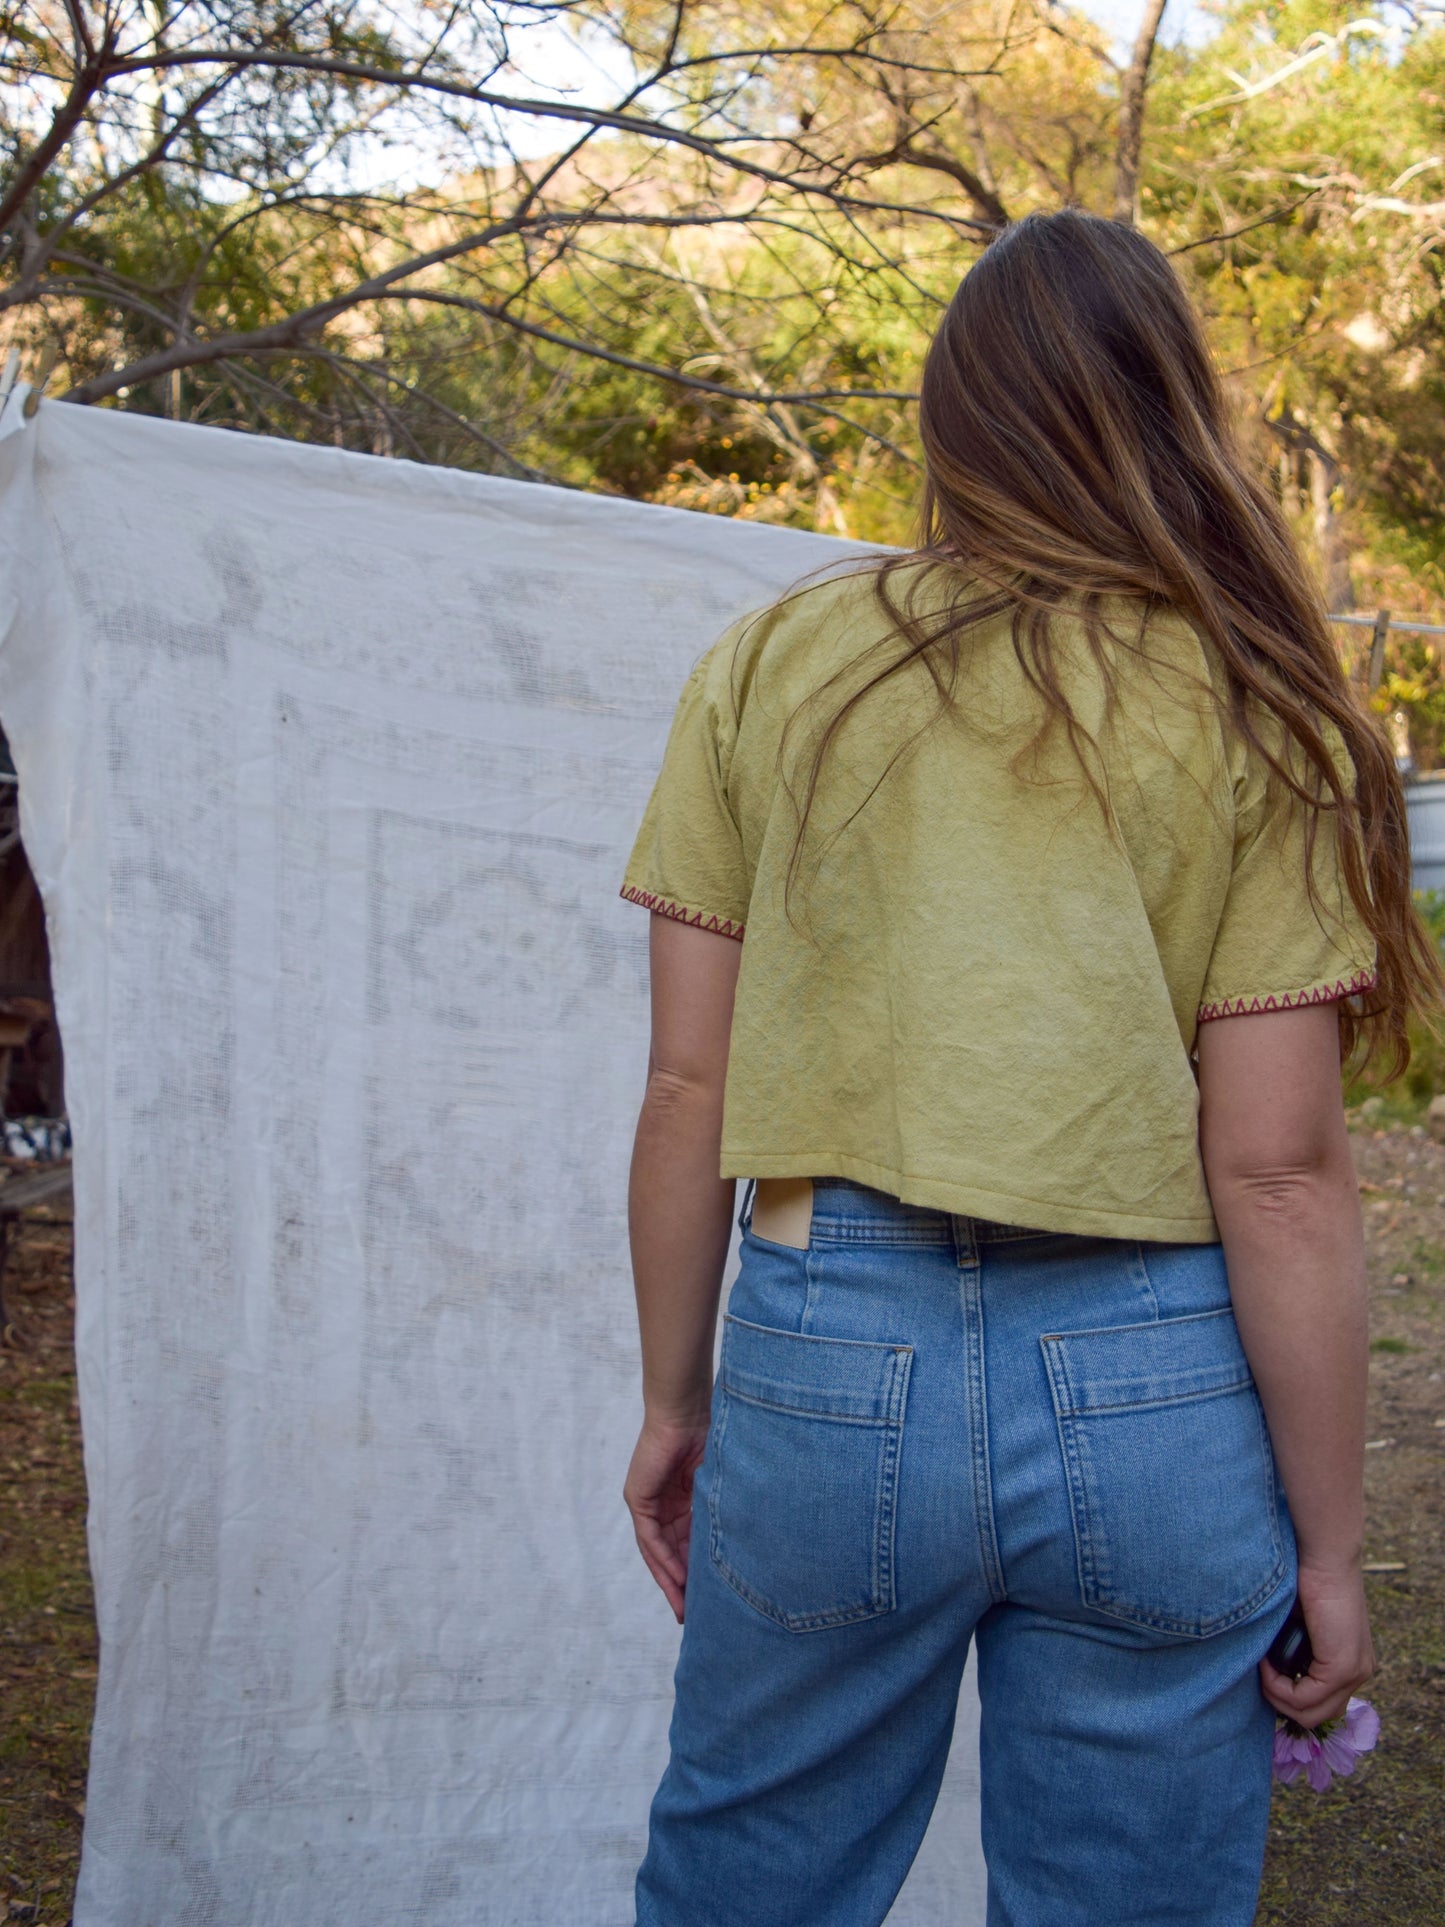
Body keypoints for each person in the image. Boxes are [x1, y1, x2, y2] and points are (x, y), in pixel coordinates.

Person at [616, 210, 1441, 1927]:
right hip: (1153, 1379)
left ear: (952, 416)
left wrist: (673, 1403)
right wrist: (1327, 1545)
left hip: (828, 1354)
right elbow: (1278, 1170)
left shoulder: (774, 667)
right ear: (1170, 413)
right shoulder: (1251, 700)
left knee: (748, 1885)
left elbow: (688, 1098)